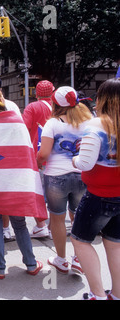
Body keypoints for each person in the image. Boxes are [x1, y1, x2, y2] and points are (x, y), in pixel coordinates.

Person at [0, 87, 45, 280]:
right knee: (19, 224)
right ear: (2, 99)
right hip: (15, 182)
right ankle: (30, 263)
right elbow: (26, 153)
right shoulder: (17, 122)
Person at [71, 78, 120, 300]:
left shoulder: (94, 126)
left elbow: (85, 163)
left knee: (80, 241)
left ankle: (98, 295)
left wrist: (74, 160)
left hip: (98, 196)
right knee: (115, 245)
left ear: (102, 99)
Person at [37, 86, 92, 275]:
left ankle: (61, 260)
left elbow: (43, 153)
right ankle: (78, 259)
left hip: (56, 177)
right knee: (79, 217)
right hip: (82, 175)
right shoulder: (89, 122)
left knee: (57, 219)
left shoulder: (52, 124)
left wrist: (36, 162)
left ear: (55, 104)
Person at [23, 80, 55, 238]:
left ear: (36, 94)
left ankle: (41, 224)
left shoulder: (32, 107)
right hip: (58, 158)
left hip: (37, 156)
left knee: (38, 192)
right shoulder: (60, 107)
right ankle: (55, 226)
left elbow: (23, 129)